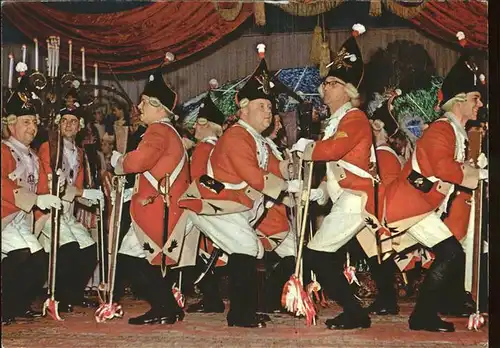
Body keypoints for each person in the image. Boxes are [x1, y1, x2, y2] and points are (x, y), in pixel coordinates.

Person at [178, 46, 301, 328]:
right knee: (247, 246)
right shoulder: (236, 136)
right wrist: (288, 186)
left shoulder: (256, 139)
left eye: (270, 107)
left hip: (231, 208)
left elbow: (275, 168)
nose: (268, 112)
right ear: (243, 107)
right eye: (262, 106)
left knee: (249, 249)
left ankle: (244, 311)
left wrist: (296, 164)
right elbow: (255, 177)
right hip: (213, 206)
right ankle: (240, 314)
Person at [382, 31, 488, 332]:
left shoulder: (456, 132)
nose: (479, 104)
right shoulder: (443, 129)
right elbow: (443, 167)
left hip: (420, 204)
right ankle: (422, 316)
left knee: (450, 253)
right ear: (458, 101)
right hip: (409, 203)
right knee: (451, 253)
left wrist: (471, 168)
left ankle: (424, 314)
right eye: (475, 98)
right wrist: (478, 173)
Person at [292, 23, 376, 330]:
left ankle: (355, 313)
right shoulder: (337, 120)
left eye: (332, 82)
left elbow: (335, 150)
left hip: (356, 199)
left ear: (348, 90)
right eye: (326, 82)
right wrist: (321, 193)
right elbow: (341, 167)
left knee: (317, 256)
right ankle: (356, 311)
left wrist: (308, 148)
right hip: (346, 196)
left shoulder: (355, 118)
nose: (324, 87)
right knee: (323, 256)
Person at [110, 63, 189, 325]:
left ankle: (163, 307)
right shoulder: (171, 132)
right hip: (162, 206)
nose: (139, 107)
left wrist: (118, 162)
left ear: (158, 106)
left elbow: (139, 162)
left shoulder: (157, 130)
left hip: (155, 210)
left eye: (144, 103)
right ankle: (167, 308)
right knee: (145, 261)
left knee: (131, 259)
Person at [38, 86, 104, 313]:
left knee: (90, 249)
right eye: (64, 121)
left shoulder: (79, 153)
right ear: (58, 124)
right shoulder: (49, 147)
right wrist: (83, 194)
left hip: (67, 212)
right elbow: (51, 184)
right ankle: (60, 297)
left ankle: (74, 293)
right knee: (70, 248)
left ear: (80, 127)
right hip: (49, 211)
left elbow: (78, 187)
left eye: (73, 122)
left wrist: (94, 199)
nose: (68, 125)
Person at [1, 76, 61, 324]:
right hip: (4, 217)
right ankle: (6, 307)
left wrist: (44, 208)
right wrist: (36, 198)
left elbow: (42, 189)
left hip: (21, 220)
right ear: (12, 125)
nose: (32, 128)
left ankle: (17, 304)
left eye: (34, 123)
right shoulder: (4, 149)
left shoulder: (34, 156)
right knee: (21, 255)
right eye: (26, 122)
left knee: (37, 260)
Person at [185, 84, 227, 314]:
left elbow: (199, 179)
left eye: (199, 123)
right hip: (219, 204)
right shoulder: (220, 147)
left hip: (203, 205)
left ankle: (211, 299)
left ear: (207, 125)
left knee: (203, 253)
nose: (194, 128)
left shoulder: (202, 149)